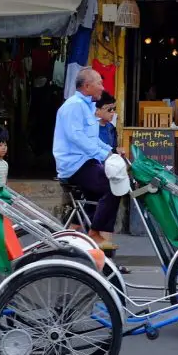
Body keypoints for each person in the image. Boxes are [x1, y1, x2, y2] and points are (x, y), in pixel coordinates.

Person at [53, 68, 120, 249]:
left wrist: (111, 151)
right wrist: (104, 155)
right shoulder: (74, 106)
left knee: (97, 196)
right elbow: (78, 138)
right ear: (87, 86)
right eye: (99, 83)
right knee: (113, 185)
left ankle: (83, 238)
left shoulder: (87, 105)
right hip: (75, 165)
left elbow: (92, 140)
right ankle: (95, 233)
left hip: (86, 162)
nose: (102, 87)